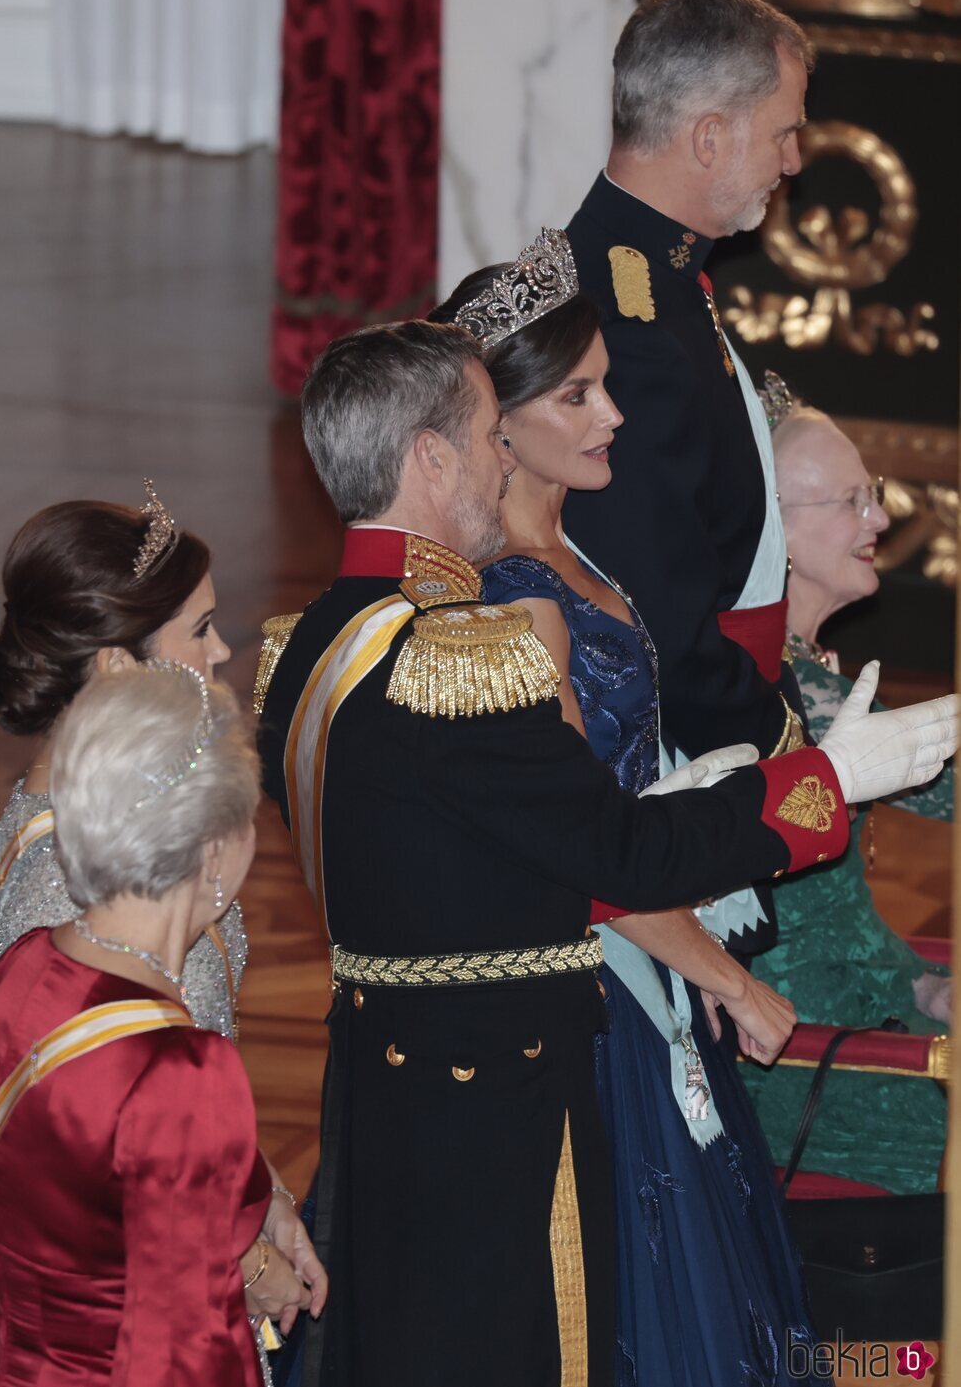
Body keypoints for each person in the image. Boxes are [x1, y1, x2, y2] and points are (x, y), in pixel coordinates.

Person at [256, 313, 956, 1386]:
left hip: (392, 1086)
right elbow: (619, 854)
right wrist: (830, 781)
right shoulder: (456, 661)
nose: (504, 457)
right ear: (429, 457)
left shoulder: (316, 635)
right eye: (492, 433)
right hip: (499, 1113)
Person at [434, 230, 816, 1384]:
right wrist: (725, 976)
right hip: (587, 993)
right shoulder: (506, 593)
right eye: (580, 394)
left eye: (606, 382)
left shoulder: (572, 543)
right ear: (495, 426)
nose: (611, 416)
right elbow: (578, 850)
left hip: (653, 949)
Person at [564, 0, 815, 957]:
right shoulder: (628, 323)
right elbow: (653, 601)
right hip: (664, 749)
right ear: (707, 137)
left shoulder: (650, 277)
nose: (792, 160)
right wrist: (779, 736)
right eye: (782, 133)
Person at [0, 665, 322, 1384]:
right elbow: (190, 1352)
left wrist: (257, 1205)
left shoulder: (22, 970)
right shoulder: (181, 1070)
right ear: (214, 854)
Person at [740, 390, 953, 1194]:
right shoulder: (786, 688)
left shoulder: (810, 668)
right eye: (851, 500)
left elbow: (843, 923)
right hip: (799, 1053)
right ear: (778, 531)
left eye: (875, 493)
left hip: (870, 1001)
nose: (881, 520)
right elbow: (949, 785)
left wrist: (921, 984)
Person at [0, 486, 244, 1035]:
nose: (221, 650)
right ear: (118, 668)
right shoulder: (59, 886)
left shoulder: (117, 811)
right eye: (199, 630)